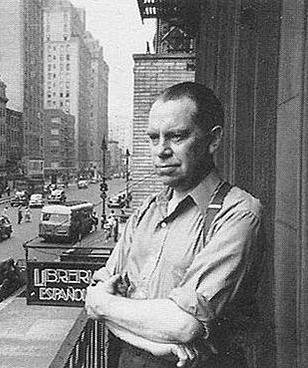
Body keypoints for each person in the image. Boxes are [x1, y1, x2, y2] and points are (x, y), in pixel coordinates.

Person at [85, 82, 262, 368]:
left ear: (213, 140)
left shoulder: (239, 212)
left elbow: (184, 326)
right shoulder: (146, 212)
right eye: (154, 138)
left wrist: (105, 305)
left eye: (176, 137)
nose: (160, 150)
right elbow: (94, 293)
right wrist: (155, 345)